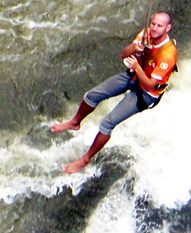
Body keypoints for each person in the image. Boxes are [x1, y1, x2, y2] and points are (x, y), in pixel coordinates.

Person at [51, 11, 178, 173]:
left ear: (167, 28)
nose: (154, 28)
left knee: (107, 123)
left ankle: (85, 159)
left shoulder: (168, 55)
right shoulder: (146, 34)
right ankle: (75, 122)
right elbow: (124, 54)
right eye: (153, 23)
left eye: (159, 26)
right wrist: (135, 48)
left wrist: (136, 67)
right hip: (134, 76)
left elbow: (151, 84)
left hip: (146, 93)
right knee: (92, 96)